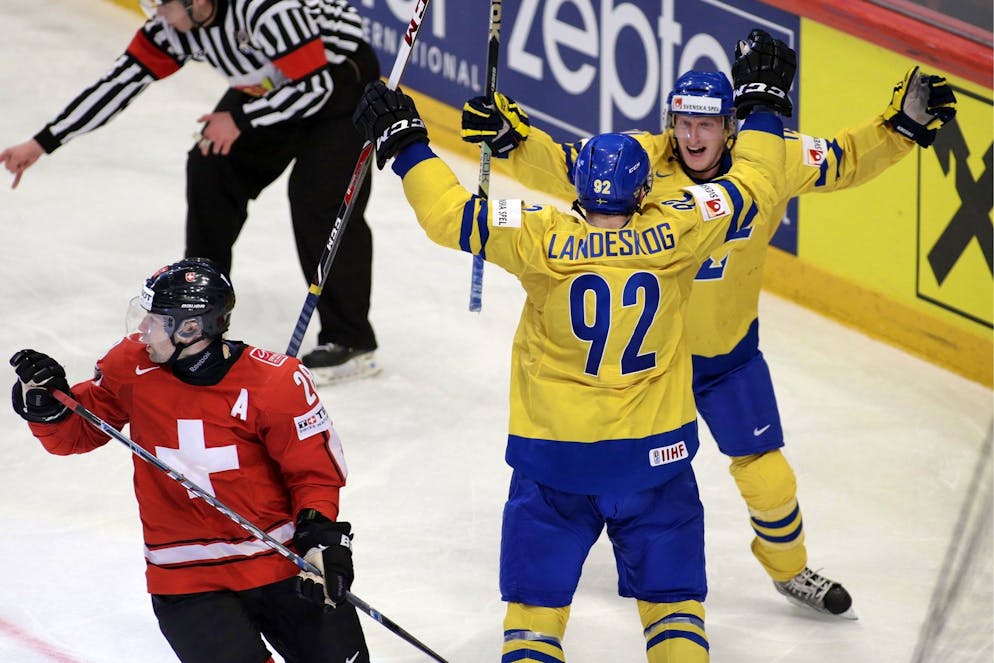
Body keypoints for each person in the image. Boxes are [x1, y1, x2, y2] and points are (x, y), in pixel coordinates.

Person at [460, 32, 958, 619]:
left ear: (730, 125)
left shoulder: (771, 157)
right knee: (643, 489)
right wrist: (513, 140)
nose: (692, 138)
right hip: (649, 373)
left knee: (769, 477)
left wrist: (899, 127)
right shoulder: (641, 163)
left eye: (706, 125)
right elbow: (567, 166)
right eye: (682, 124)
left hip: (727, 356)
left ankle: (790, 570)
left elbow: (846, 159)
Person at [353, 29, 794, 662]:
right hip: (655, 460)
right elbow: (754, 180)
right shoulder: (681, 227)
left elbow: (447, 215)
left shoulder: (539, 234)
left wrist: (405, 143)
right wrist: (762, 104)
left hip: (553, 461)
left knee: (534, 620)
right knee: (673, 610)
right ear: (646, 192)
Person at [0, 0, 381, 383]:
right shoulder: (174, 23)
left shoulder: (266, 10)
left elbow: (315, 87)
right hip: (272, 85)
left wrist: (240, 119)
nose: (157, 17)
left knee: (319, 201)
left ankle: (350, 341)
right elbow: (117, 84)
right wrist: (42, 143)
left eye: (162, 6)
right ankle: (198, 317)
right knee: (210, 165)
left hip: (337, 89)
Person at [9, 258, 369, 663]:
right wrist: (46, 408)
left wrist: (321, 537)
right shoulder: (131, 367)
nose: (142, 330)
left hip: (282, 563)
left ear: (192, 328)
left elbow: (314, 473)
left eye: (155, 320)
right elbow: (76, 434)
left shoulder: (276, 383)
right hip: (186, 578)